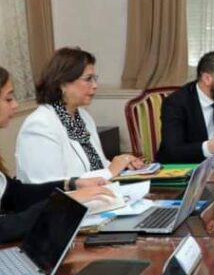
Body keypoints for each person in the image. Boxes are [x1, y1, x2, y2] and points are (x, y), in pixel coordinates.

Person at [0, 66, 115, 243]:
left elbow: (15, 193)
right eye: (8, 99)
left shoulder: (83, 116)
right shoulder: (41, 123)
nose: (15, 105)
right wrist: (65, 201)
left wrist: (72, 184)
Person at [15, 48, 143, 184]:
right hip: (66, 198)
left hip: (97, 193)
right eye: (88, 79)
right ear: (63, 83)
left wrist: (123, 164)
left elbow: (96, 165)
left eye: (94, 78)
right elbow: (51, 186)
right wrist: (110, 171)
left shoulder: (83, 116)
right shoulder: (40, 125)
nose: (95, 85)